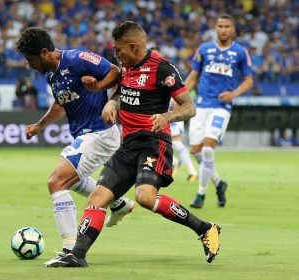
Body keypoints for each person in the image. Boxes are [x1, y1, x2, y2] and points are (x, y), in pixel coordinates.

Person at [46, 21, 221, 268]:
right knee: (96, 198)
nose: (116, 56)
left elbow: (189, 107)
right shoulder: (126, 68)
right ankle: (78, 255)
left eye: (119, 50)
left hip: (153, 143)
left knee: (145, 198)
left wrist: (168, 116)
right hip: (128, 146)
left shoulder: (163, 69)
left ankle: (205, 229)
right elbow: (120, 93)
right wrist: (112, 104)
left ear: (134, 46)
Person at [16, 27, 135, 264]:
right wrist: (40, 125)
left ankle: (71, 249)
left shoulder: (77, 58)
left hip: (99, 132)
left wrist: (99, 88)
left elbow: (114, 71)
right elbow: (61, 103)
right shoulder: (51, 74)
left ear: (44, 52)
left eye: (30, 60)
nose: (30, 66)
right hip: (86, 134)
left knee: (56, 181)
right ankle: (119, 203)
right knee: (74, 181)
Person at [185, 14, 253, 208]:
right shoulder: (204, 50)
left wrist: (234, 93)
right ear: (215, 28)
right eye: (220, 26)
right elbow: (193, 76)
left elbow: (249, 81)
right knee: (195, 150)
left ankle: (200, 195)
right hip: (201, 105)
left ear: (233, 30)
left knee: (207, 149)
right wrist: (179, 96)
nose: (223, 29)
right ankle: (219, 183)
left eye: (226, 26)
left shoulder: (240, 52)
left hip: (222, 107)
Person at [151, 47, 198, 182]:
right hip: (156, 112)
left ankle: (192, 171)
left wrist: (174, 103)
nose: (154, 56)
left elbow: (179, 89)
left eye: (156, 54)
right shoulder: (147, 71)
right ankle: (175, 161)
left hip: (171, 110)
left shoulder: (167, 68)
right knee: (154, 142)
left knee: (176, 142)